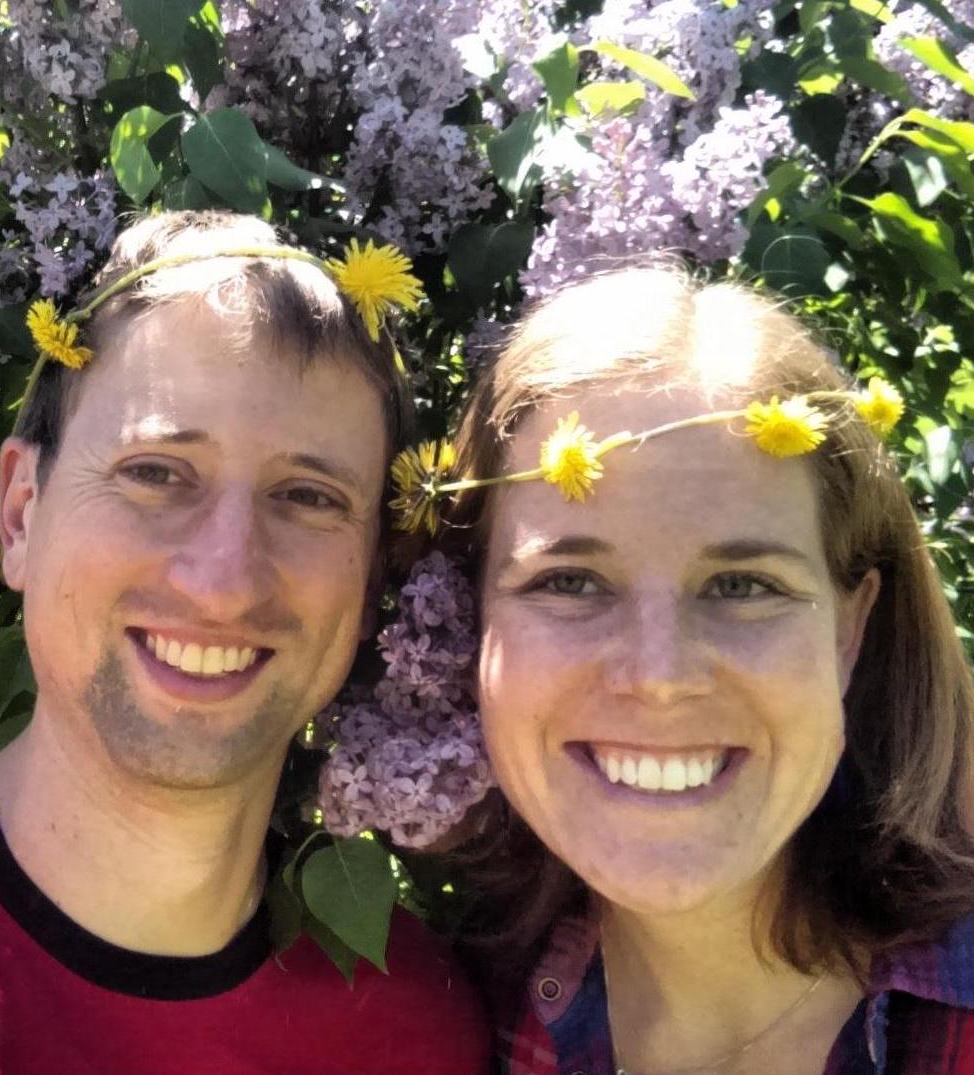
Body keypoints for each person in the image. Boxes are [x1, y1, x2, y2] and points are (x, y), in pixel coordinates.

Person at [0, 211, 490, 1075]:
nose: (224, 581)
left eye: (308, 496)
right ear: (21, 514)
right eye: (156, 473)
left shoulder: (418, 1034)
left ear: (371, 580)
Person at [405, 266, 974, 1075]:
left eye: (742, 586)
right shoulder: (443, 1023)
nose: (658, 674)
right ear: (470, 625)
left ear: (851, 628)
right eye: (569, 580)